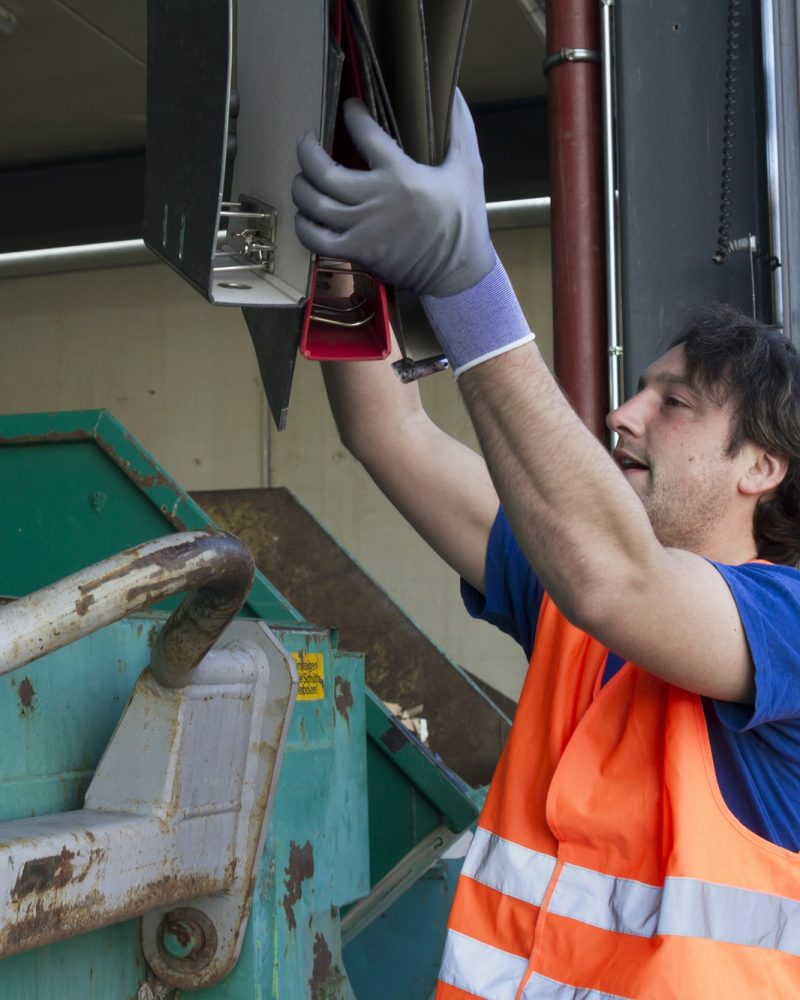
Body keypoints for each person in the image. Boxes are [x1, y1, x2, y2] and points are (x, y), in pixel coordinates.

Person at [292, 92, 800, 997]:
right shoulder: (575, 596)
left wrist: (465, 280)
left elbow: (620, 584)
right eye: (640, 391)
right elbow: (390, 435)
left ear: (761, 466)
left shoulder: (786, 625)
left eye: (673, 403)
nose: (622, 414)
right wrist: (346, 266)